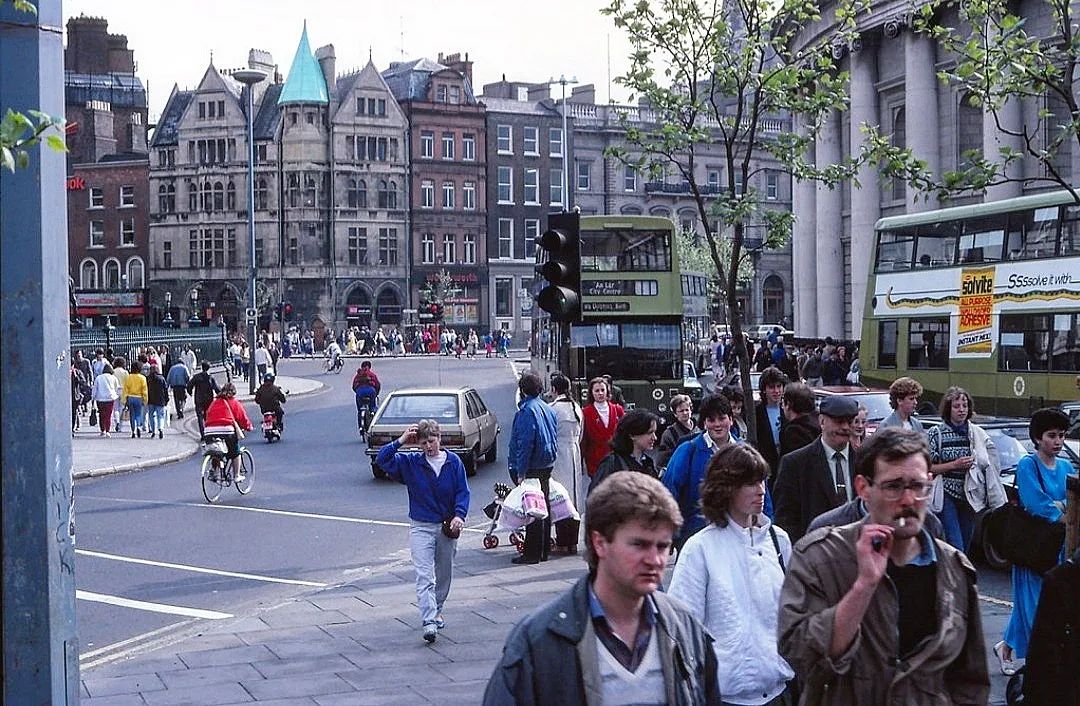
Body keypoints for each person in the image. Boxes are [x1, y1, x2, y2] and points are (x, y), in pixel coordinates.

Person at [778, 428, 990, 704]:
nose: (908, 499)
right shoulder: (819, 556)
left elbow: (970, 680)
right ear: (863, 488)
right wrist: (863, 585)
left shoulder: (953, 569)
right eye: (893, 487)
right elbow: (799, 654)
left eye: (917, 486)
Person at [482, 472, 721, 705]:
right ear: (600, 543)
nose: (655, 559)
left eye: (663, 546)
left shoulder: (685, 629)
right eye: (639, 544)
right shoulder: (539, 640)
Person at [669, 444, 796, 705]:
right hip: (725, 697)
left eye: (762, 480)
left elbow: (793, 614)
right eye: (749, 482)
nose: (760, 490)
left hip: (780, 692)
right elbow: (682, 630)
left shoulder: (778, 540)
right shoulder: (699, 549)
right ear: (726, 488)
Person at [376, 419, 469, 643]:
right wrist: (400, 441)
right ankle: (428, 620)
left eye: (432, 440)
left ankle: (437, 609)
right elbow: (382, 460)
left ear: (440, 439)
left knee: (444, 572)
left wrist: (459, 515)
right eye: (424, 442)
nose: (429, 446)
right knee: (424, 575)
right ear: (418, 444)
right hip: (421, 526)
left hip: (446, 527)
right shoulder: (411, 463)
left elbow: (462, 492)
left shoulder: (453, 462)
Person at [995, 408, 1071, 676]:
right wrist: (1060, 509)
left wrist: (1060, 508)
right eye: (1052, 435)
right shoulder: (1028, 464)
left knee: (1041, 604)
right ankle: (1036, 663)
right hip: (1033, 546)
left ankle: (1007, 647)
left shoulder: (1066, 466)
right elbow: (1035, 503)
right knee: (1033, 605)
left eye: (1062, 435)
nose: (1058, 441)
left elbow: (1071, 503)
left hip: (1058, 546)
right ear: (1038, 438)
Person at [927, 386, 1004, 552]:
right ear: (948, 408)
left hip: (971, 496)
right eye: (956, 406)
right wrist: (954, 465)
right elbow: (928, 468)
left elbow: (989, 461)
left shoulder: (976, 434)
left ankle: (960, 576)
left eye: (964, 405)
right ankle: (959, 576)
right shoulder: (936, 433)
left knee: (966, 545)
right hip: (947, 494)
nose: (961, 410)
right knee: (956, 545)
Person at [772, 395, 858, 543]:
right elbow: (785, 520)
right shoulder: (795, 464)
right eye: (839, 422)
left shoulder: (865, 461)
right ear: (822, 421)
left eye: (849, 422)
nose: (845, 427)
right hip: (813, 555)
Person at [663, 394, 742, 549]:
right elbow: (669, 492)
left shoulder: (743, 451)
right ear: (704, 423)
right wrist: (669, 533)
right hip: (695, 536)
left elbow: (760, 494)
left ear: (731, 419)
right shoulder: (688, 450)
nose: (717, 424)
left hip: (737, 535)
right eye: (711, 420)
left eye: (721, 418)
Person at [508, 370, 559, 565]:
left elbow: (525, 443)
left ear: (522, 390)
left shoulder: (526, 411)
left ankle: (532, 553)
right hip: (546, 464)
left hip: (532, 466)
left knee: (533, 510)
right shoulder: (547, 408)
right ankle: (544, 550)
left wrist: (520, 471)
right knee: (543, 508)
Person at [589, 409, 660, 494]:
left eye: (654, 432)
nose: (654, 437)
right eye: (649, 433)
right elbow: (596, 497)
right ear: (633, 435)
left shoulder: (648, 463)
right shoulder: (612, 463)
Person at [548, 373, 585, 519]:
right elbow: (581, 434)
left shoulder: (552, 408)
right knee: (575, 488)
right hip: (575, 450)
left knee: (559, 489)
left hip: (558, 451)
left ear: (554, 389)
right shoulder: (576, 407)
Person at [203, 382, 254, 482]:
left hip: (209, 431)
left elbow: (207, 415)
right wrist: (248, 427)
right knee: (236, 452)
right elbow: (242, 418)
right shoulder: (234, 402)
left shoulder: (214, 402)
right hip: (226, 430)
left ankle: (214, 470)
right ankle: (237, 475)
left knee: (216, 451)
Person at [580, 376, 625, 479]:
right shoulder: (585, 413)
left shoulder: (618, 410)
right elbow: (584, 440)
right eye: (596, 391)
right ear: (591, 393)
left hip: (616, 461)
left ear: (607, 391)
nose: (600, 393)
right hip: (595, 462)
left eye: (602, 390)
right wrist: (581, 461)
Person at [754, 367, 788, 477]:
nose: (776, 391)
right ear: (764, 389)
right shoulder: (757, 413)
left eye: (779, 386)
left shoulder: (788, 410)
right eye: (772, 387)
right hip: (765, 465)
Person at [778, 381, 820, 458]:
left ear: (788, 404)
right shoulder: (820, 422)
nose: (782, 405)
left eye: (783, 401)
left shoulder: (793, 431)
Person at [656, 394, 696, 470]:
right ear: (675, 414)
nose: (685, 413)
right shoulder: (669, 434)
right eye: (681, 411)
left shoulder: (700, 428)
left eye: (687, 410)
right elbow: (662, 462)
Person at [187, 360, 220, 437]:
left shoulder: (197, 377)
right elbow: (217, 388)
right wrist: (221, 395)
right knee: (208, 417)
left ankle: (203, 434)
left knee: (200, 417)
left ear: (202, 367)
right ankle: (209, 433)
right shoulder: (211, 377)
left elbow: (189, 385)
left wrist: (190, 392)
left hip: (199, 399)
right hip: (209, 400)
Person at [91, 363, 121, 437]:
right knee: (108, 415)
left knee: (101, 414)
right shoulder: (113, 378)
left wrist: (93, 397)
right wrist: (117, 395)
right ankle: (107, 430)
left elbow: (95, 388)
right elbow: (117, 388)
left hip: (100, 398)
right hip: (110, 398)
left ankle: (102, 430)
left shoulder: (98, 377)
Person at [351, 361, 381, 432]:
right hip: (371, 391)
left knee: (359, 410)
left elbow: (353, 386)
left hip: (360, 392)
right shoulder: (372, 374)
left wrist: (358, 392)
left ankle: (361, 428)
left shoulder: (358, 375)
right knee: (372, 407)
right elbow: (377, 385)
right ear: (370, 367)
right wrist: (376, 394)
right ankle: (372, 414)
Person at [121, 362, 148, 438]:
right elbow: (144, 390)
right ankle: (138, 426)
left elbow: (125, 389)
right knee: (138, 414)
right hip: (139, 397)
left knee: (132, 415)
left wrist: (124, 399)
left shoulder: (129, 377)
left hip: (130, 397)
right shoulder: (142, 378)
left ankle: (133, 431)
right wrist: (145, 400)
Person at [145, 364, 170, 439]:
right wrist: (167, 399)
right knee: (160, 416)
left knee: (151, 415)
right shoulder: (161, 378)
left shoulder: (148, 379)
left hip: (151, 399)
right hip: (160, 400)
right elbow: (165, 390)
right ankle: (160, 428)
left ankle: (153, 431)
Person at [111, 357, 129, 433]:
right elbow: (128, 383)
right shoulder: (125, 372)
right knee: (121, 408)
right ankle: (120, 425)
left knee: (115, 409)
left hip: (115, 390)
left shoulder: (113, 372)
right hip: (123, 390)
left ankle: (116, 422)